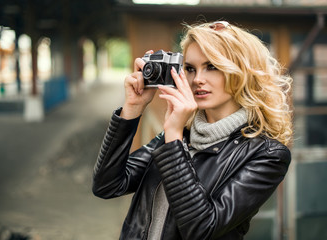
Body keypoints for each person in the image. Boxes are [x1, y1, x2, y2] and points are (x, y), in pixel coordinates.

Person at [92, 20, 293, 240]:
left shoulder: (267, 154)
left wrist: (174, 139)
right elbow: (107, 185)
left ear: (242, 72)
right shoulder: (182, 133)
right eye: (189, 68)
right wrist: (133, 108)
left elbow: (201, 229)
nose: (197, 79)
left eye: (212, 66)